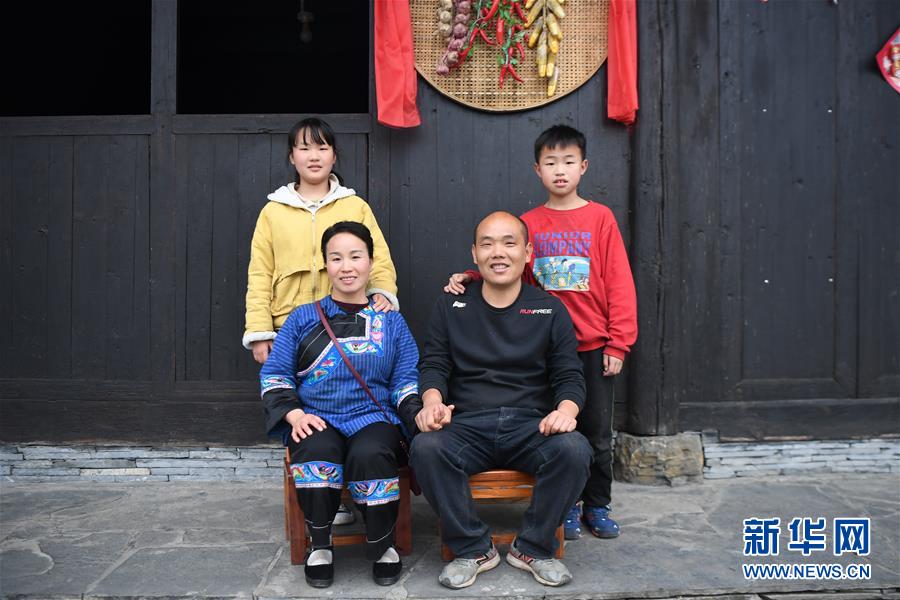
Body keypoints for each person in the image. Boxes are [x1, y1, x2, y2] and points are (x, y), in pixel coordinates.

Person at [444, 125, 638, 541]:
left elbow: (619, 281)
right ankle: (565, 506)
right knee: (555, 428)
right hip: (545, 347)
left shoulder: (600, 219)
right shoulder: (529, 223)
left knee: (596, 433)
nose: (560, 170)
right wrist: (472, 277)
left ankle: (598, 504)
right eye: (551, 163)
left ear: (583, 167)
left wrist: (618, 341)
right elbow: (512, 271)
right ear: (538, 170)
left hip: (593, 345)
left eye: (568, 162)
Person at [407, 211, 592, 589]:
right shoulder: (451, 305)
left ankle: (534, 548)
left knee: (575, 450)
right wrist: (431, 402)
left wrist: (565, 411)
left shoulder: (550, 308)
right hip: (467, 424)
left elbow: (569, 375)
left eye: (509, 243)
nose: (498, 252)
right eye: (487, 244)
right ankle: (472, 548)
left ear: (528, 252)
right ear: (474, 253)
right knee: (425, 447)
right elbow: (434, 364)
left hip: (531, 426)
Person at [246, 117, 400, 526]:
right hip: (292, 330)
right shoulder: (273, 212)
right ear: (291, 157)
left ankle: (358, 495)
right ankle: (324, 500)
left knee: (351, 406)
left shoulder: (354, 206)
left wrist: (383, 295)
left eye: (322, 147)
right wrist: (260, 331)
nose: (313, 156)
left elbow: (379, 258)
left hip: (350, 323)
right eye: (304, 148)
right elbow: (259, 273)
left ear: (334, 155)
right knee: (309, 414)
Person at [259, 222, 419, 588]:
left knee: (371, 453)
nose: (346, 267)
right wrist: (295, 415)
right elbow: (276, 374)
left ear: (370, 262)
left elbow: (406, 378)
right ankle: (320, 544)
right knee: (315, 448)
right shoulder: (302, 318)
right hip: (316, 415)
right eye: (336, 258)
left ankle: (382, 545)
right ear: (325, 265)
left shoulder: (391, 321)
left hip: (372, 416)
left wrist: (416, 414)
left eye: (355, 256)